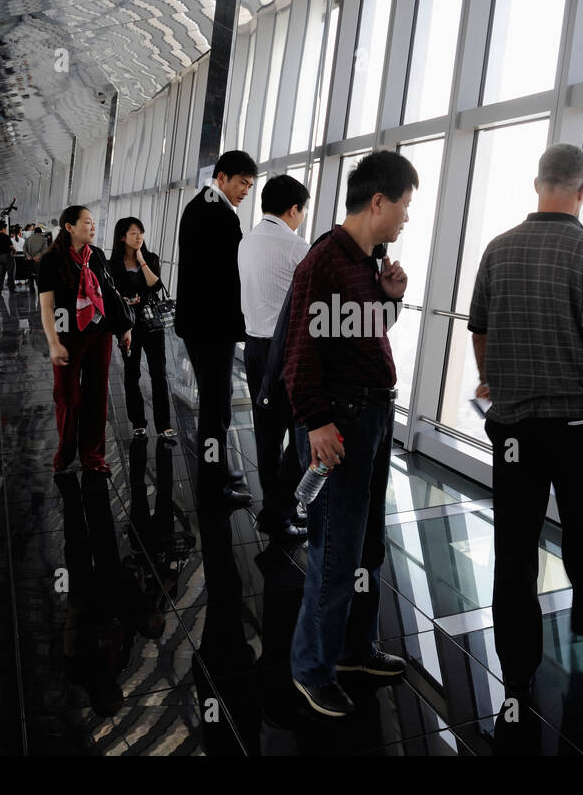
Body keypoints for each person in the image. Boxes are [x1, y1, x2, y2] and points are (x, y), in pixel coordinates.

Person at [467, 143, 583, 698]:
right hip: (579, 428)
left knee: (514, 544)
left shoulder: (498, 249)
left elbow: (480, 330)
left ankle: (516, 665)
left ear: (538, 183)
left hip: (514, 430)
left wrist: (498, 381)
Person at [283, 150, 416, 717]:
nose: (408, 217)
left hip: (373, 418)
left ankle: (355, 649)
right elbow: (298, 353)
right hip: (340, 423)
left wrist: (390, 298)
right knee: (335, 550)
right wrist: (316, 421)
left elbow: (366, 335)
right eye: (405, 205)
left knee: (366, 546)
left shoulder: (366, 260)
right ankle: (312, 667)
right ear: (378, 202)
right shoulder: (323, 261)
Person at [174, 149, 258, 506]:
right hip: (213, 328)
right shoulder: (219, 214)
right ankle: (213, 484)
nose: (245, 190)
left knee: (213, 405)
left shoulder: (197, 206)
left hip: (197, 324)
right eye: (242, 182)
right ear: (222, 177)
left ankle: (218, 471)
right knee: (214, 409)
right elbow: (230, 275)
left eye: (250, 186)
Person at [237, 174, 310, 543]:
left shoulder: (245, 242)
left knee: (267, 434)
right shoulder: (298, 247)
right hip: (287, 352)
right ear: (294, 209)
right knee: (301, 438)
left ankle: (275, 507)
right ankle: (280, 510)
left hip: (254, 349)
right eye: (302, 211)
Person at [39, 205, 132, 475]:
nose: (93, 227)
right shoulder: (51, 261)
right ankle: (65, 453)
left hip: (99, 334)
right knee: (67, 398)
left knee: (96, 396)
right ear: (69, 227)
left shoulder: (98, 256)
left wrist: (124, 327)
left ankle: (93, 456)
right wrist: (53, 342)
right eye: (88, 222)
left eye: (94, 223)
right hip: (67, 334)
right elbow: (46, 307)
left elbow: (111, 295)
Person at [108, 217, 175, 441]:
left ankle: (163, 423)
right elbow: (111, 294)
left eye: (141, 233)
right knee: (131, 373)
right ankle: (138, 422)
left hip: (152, 324)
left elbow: (155, 285)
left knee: (159, 372)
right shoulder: (112, 265)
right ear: (122, 237)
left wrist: (141, 260)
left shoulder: (151, 258)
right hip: (127, 325)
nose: (139, 237)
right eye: (134, 233)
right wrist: (126, 301)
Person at [24, 224, 49, 295]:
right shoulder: (43, 239)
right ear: (40, 232)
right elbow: (45, 250)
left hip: (29, 260)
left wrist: (28, 256)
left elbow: (24, 249)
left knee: (30, 276)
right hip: (38, 261)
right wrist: (38, 256)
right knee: (38, 276)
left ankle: (32, 291)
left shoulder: (28, 238)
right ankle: (39, 291)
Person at [0, 223, 15, 294]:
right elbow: (11, 246)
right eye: (6, 229)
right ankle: (11, 289)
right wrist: (15, 250)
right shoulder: (6, 236)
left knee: (1, 273)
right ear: (3, 229)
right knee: (10, 273)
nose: (6, 230)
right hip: (7, 256)